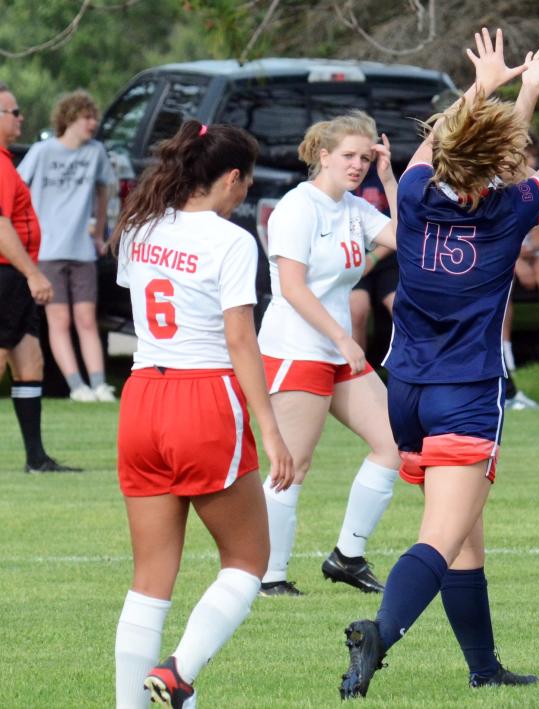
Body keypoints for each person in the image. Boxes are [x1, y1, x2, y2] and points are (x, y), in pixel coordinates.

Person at [339, 28, 539, 698]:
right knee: (438, 538)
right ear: (504, 159)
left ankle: (484, 666)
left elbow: (452, 145)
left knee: (465, 536)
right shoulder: (508, 213)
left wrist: (490, 84)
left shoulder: (413, 194)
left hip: (404, 389)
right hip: (463, 392)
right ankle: (381, 629)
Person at [110, 120, 293, 709]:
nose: (244, 193)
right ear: (232, 178)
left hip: (141, 396)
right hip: (202, 396)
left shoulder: (139, 227)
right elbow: (240, 340)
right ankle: (179, 671)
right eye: (245, 183)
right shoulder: (232, 240)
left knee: (150, 579)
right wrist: (270, 427)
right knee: (248, 560)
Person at [255, 112, 402, 596]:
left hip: (336, 351)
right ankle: (268, 575)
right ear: (323, 156)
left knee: (393, 443)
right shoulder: (298, 208)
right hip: (297, 349)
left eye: (365, 157)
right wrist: (343, 338)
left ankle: (346, 556)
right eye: (349, 156)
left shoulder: (355, 207)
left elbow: (408, 238)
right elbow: (293, 289)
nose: (358, 165)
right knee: (292, 465)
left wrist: (389, 178)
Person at [17, 90, 117, 402]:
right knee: (58, 321)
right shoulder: (43, 151)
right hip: (47, 250)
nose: (93, 123)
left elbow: (105, 191)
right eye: (88, 117)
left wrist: (99, 233)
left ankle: (99, 384)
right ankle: (77, 387)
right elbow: (18, 188)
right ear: (70, 119)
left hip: (81, 250)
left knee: (87, 319)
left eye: (94, 117)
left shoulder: (96, 151)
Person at [0, 80, 79, 474]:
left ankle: (36, 459)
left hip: (14, 276)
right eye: (12, 112)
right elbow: (0, 225)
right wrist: (33, 274)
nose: (20, 117)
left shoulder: (7, 159)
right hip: (6, 275)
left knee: (30, 363)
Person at [501, 135, 539, 410]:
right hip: (507, 256)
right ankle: (505, 357)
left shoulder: (534, 189)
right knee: (500, 292)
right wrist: (517, 260)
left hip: (530, 252)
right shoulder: (500, 186)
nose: (528, 163)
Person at [349, 171, 398, 355]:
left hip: (386, 258)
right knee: (357, 308)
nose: (357, 164)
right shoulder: (343, 182)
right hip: (353, 259)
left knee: (401, 307)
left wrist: (373, 257)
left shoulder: (387, 176)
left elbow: (400, 232)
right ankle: (357, 371)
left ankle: (408, 370)